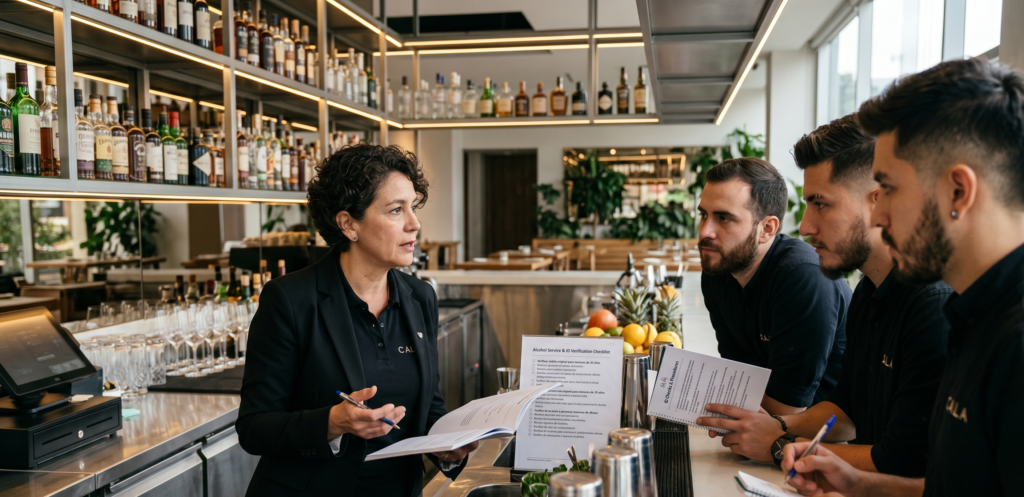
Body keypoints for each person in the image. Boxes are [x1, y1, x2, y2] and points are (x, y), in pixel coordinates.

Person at [783, 58, 1024, 497]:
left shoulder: (1013, 342)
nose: (877, 213)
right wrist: (862, 485)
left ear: (958, 192)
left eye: (889, 189)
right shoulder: (973, 314)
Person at [696, 115, 950, 477]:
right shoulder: (869, 292)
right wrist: (781, 429)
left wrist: (778, 445)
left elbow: (902, 464)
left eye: (821, 204)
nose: (805, 226)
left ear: (877, 202)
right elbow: (846, 416)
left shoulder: (931, 305)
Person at [236, 144, 477, 497]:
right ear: (348, 224)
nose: (415, 223)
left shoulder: (419, 297)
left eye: (413, 206)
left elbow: (427, 407)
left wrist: (448, 447)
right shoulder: (290, 300)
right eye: (396, 210)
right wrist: (332, 423)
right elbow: (254, 427)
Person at [698, 158, 851, 415]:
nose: (705, 232)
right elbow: (737, 377)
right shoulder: (718, 271)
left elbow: (788, 409)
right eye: (704, 215)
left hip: (828, 441)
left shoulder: (803, 277)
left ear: (767, 229)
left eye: (724, 218)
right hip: (767, 434)